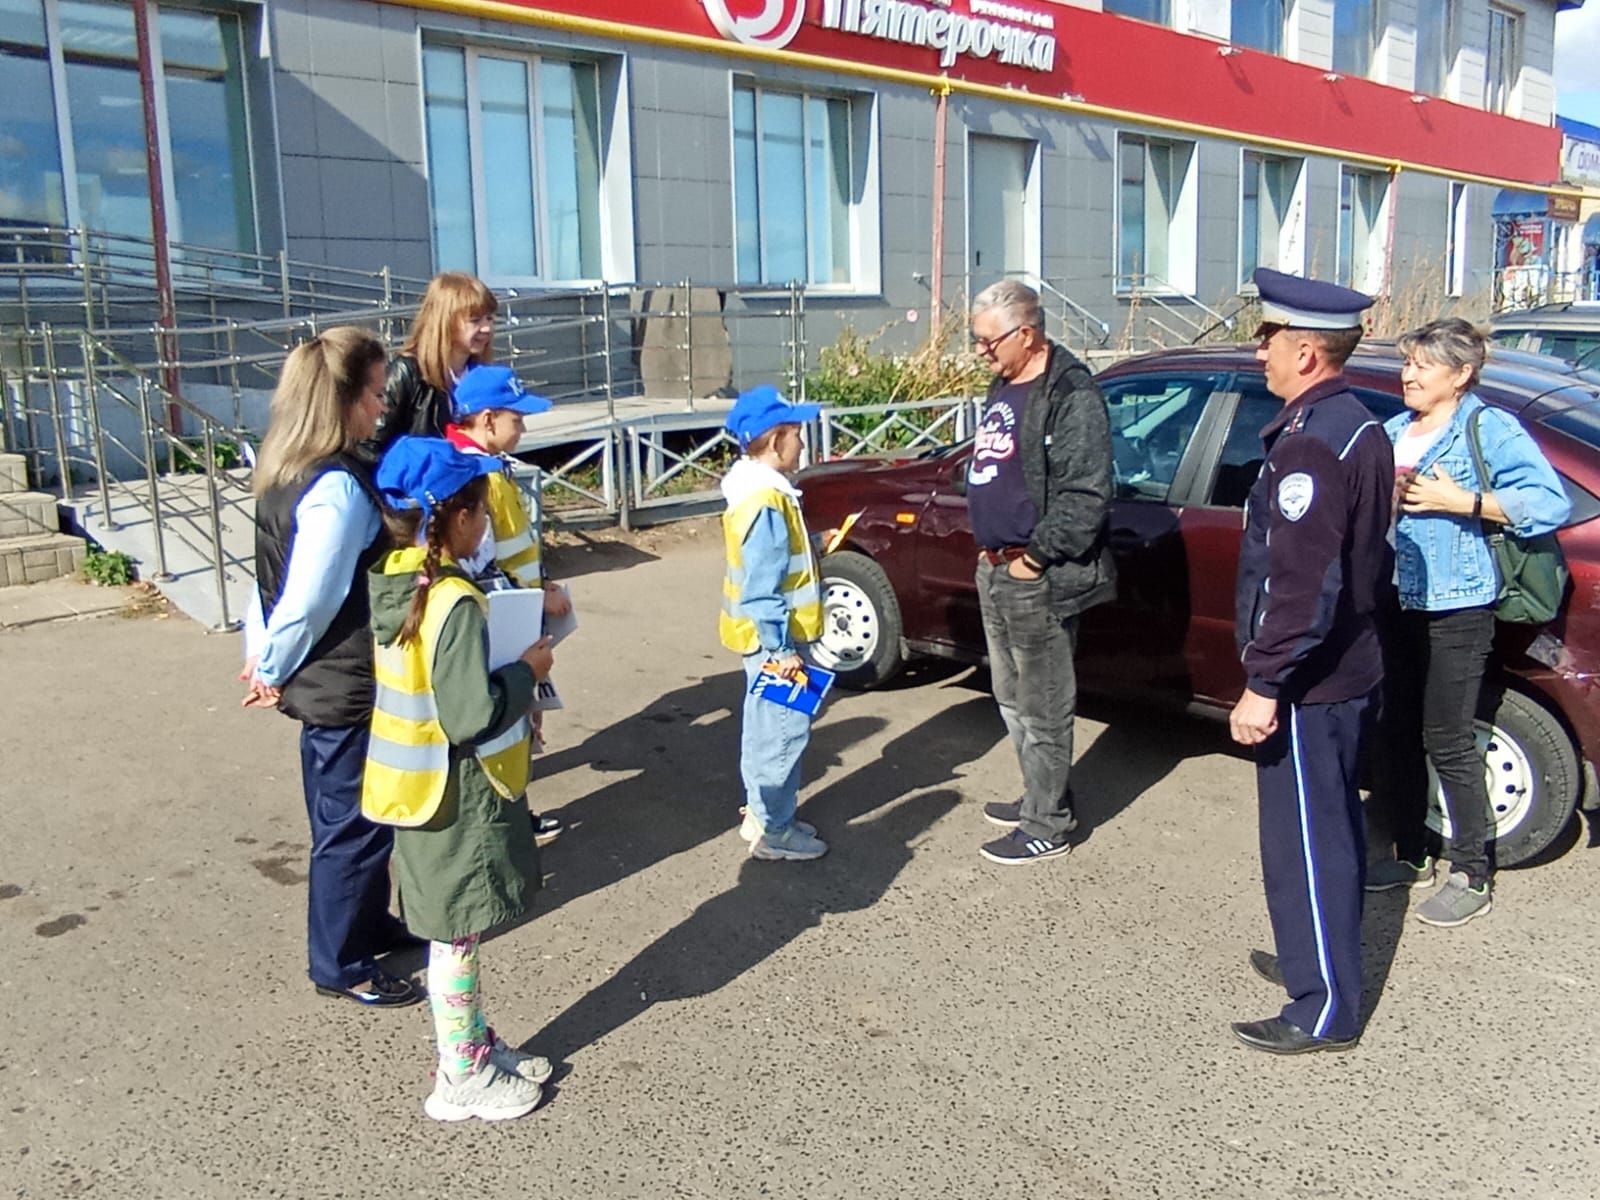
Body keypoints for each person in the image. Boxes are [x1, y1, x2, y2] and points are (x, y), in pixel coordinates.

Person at [363, 436, 557, 1122]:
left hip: (418, 790)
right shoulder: (449, 600)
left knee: (456, 936)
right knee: (457, 937)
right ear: (458, 518)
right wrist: (523, 674)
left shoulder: (398, 577)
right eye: (480, 510)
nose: (489, 524)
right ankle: (461, 1075)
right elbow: (469, 711)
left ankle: (472, 1041)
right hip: (453, 797)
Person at [1229, 268, 1393, 1055]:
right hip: (1342, 670)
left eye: (1267, 339)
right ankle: (1311, 958)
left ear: (1305, 351)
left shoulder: (1313, 444)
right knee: (1325, 833)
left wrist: (1265, 683)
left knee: (1308, 839)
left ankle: (1322, 1005)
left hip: (1310, 683)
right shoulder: (1352, 421)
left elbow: (1303, 583)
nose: (1258, 350)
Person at [1369, 318, 1571, 927]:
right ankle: (1410, 851)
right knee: (1395, 730)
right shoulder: (1394, 429)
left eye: (1423, 366)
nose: (1409, 374)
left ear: (1460, 376)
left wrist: (1468, 502)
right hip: (1395, 601)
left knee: (1450, 739)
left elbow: (1550, 500)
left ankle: (1471, 872)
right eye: (1407, 363)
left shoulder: (1488, 428)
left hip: (1458, 606)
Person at [242, 326, 421, 1008]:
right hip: (343, 681)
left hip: (322, 676)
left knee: (357, 818)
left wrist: (260, 655)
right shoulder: (337, 487)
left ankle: (368, 923)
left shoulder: (283, 473)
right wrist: (270, 666)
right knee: (350, 824)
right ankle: (342, 963)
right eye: (375, 394)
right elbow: (311, 596)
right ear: (341, 398)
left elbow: (261, 583)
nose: (382, 407)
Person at [966, 279, 1115, 866]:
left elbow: (1085, 495)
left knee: (1044, 703)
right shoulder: (1005, 381)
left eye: (988, 341)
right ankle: (1041, 794)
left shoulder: (1071, 395)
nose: (981, 352)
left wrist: (1033, 559)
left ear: (1025, 334)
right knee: (1009, 697)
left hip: (1038, 575)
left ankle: (1048, 824)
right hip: (995, 567)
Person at [445, 364, 572, 846]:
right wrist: (538, 596)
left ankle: (515, 812)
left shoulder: (491, 467)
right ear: (488, 418)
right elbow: (479, 564)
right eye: (516, 418)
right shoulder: (471, 473)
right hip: (500, 619)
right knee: (502, 724)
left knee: (519, 719)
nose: (523, 428)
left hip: (516, 612)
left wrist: (542, 585)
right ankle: (501, 824)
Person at [719, 384, 830, 862]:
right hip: (776, 643)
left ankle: (762, 815)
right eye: (796, 433)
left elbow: (770, 565)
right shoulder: (766, 501)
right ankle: (777, 832)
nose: (802, 443)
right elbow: (764, 587)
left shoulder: (756, 492)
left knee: (765, 731)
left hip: (763, 639)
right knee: (784, 734)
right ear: (775, 438)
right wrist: (782, 650)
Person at [377, 271, 498, 447]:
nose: (487, 328)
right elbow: (372, 444)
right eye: (475, 320)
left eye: (490, 318)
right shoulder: (407, 371)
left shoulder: (481, 374)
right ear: (445, 322)